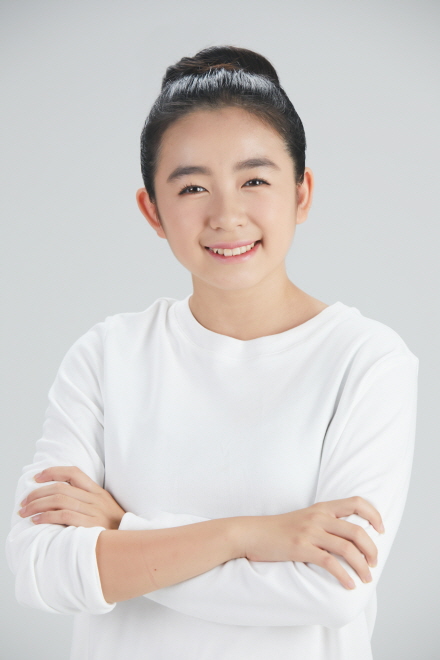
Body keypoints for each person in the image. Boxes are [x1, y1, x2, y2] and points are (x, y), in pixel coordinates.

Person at [5, 45, 419, 660]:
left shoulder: (366, 360)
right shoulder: (106, 356)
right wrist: (248, 535)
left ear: (302, 193)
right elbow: (41, 568)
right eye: (193, 186)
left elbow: (333, 589)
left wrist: (121, 532)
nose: (227, 215)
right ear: (152, 210)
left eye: (254, 180)